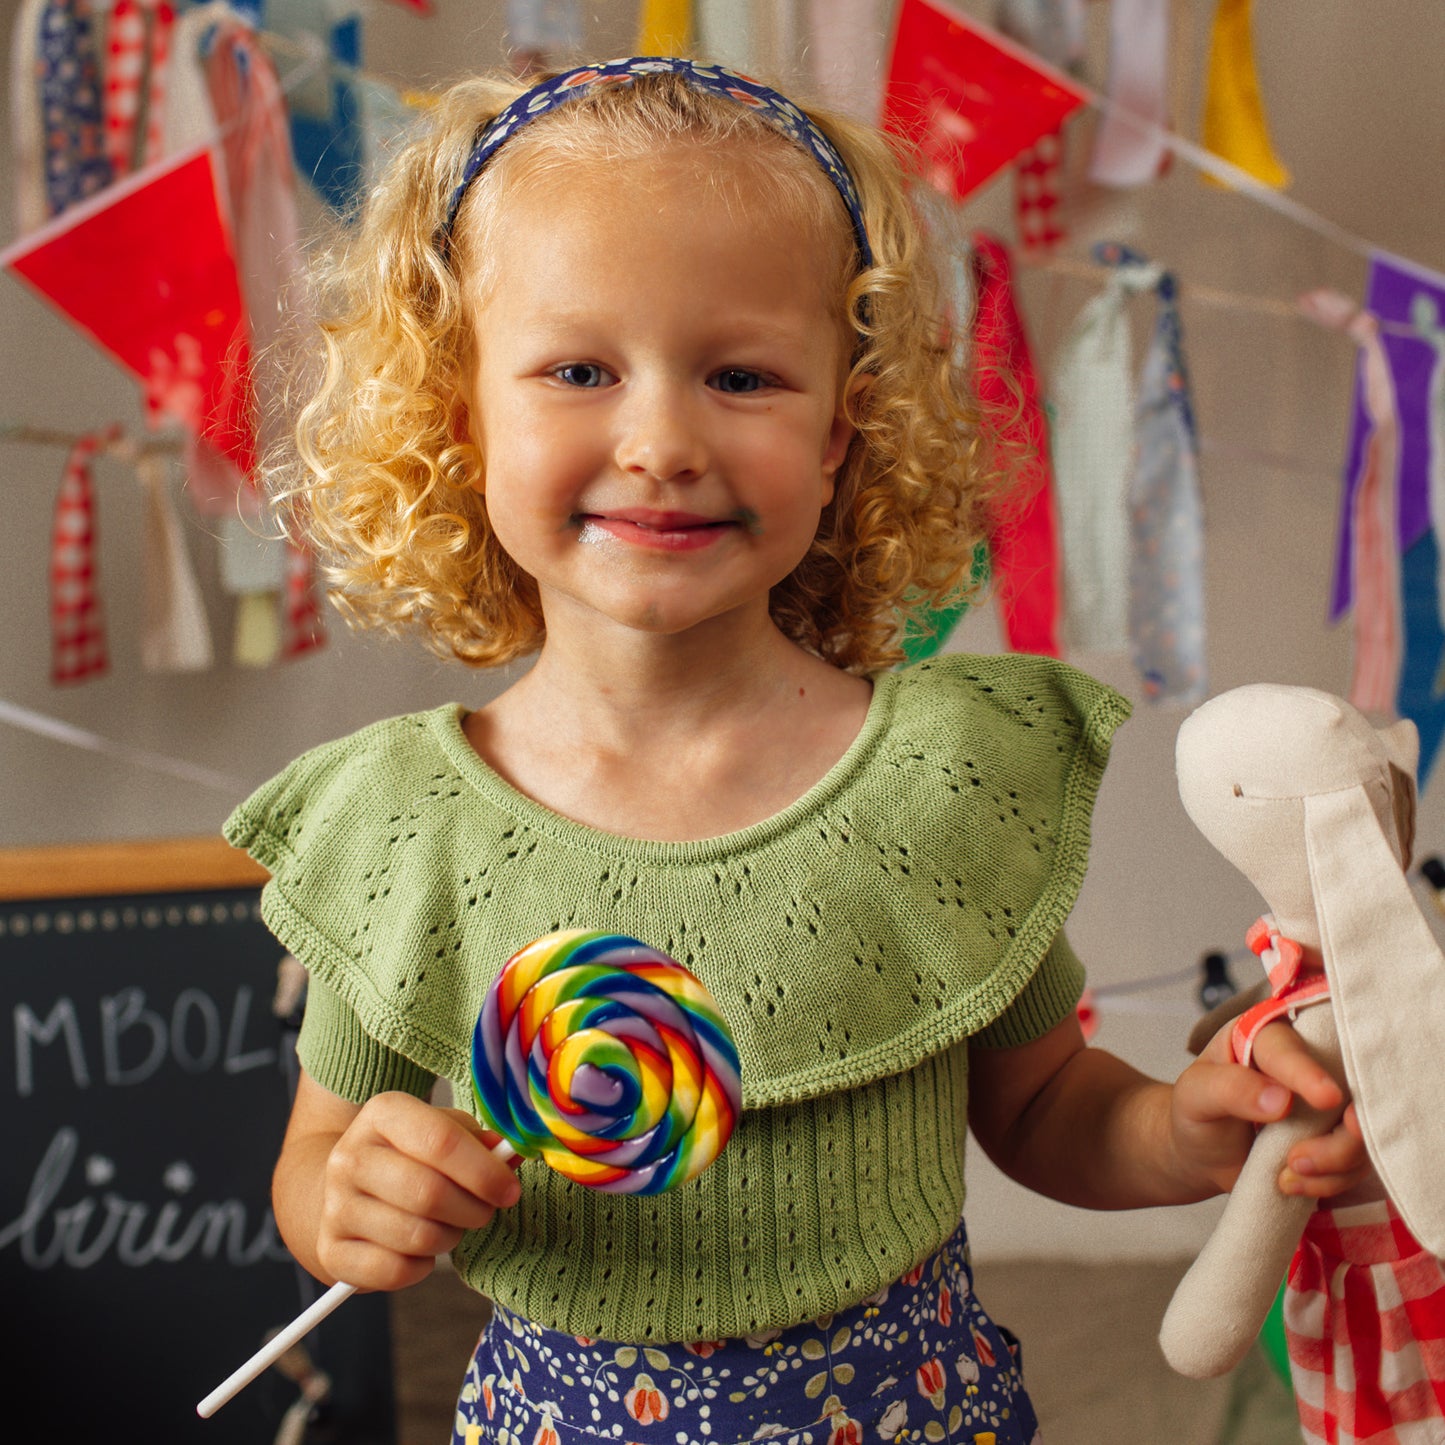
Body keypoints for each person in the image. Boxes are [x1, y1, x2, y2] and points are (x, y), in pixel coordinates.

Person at [227, 58, 1367, 1444]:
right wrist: (351, 1200)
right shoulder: (404, 821)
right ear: (461, 417)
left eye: (741, 375)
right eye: (579, 370)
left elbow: (1045, 1106)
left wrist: (1181, 1133)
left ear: (839, 432)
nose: (661, 440)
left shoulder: (937, 780)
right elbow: (315, 1161)